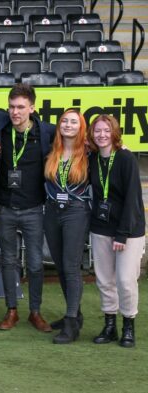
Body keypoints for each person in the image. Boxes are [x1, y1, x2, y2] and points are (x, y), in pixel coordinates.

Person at [0, 83, 55, 333]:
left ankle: (35, 311)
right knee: (9, 261)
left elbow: (75, 139)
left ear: (32, 108)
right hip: (4, 207)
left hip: (34, 208)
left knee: (35, 263)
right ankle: (11, 310)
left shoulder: (46, 133)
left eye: (21, 107)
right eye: (12, 106)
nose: (15, 112)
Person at [88, 114, 144, 348]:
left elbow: (133, 198)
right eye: (97, 131)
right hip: (101, 227)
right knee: (104, 280)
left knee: (125, 280)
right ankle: (109, 324)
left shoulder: (126, 158)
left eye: (106, 130)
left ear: (114, 133)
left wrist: (122, 234)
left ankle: (128, 325)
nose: (102, 135)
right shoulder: (92, 159)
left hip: (128, 230)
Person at [42, 109, 90, 344]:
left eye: (73, 122)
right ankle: (75, 314)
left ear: (81, 127)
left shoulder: (88, 154)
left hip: (76, 212)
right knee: (60, 266)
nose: (68, 125)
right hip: (52, 212)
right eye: (64, 121)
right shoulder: (53, 151)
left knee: (71, 267)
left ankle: (71, 323)